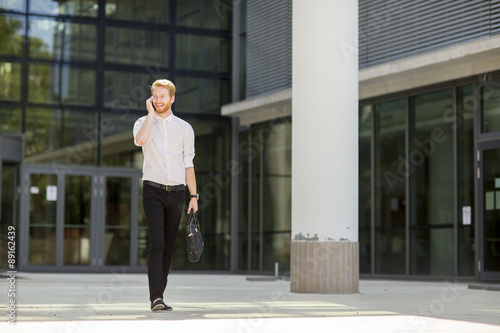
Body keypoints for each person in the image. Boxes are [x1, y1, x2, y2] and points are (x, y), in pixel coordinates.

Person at [133, 79, 199, 312]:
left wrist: (194, 196)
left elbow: (188, 164)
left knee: (168, 247)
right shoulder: (143, 123)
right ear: (151, 98)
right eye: (155, 96)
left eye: (163, 96)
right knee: (157, 243)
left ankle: (159, 293)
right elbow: (141, 141)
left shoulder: (184, 128)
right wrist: (150, 114)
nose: (159, 100)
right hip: (153, 190)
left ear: (172, 98)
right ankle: (156, 298)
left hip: (178, 192)